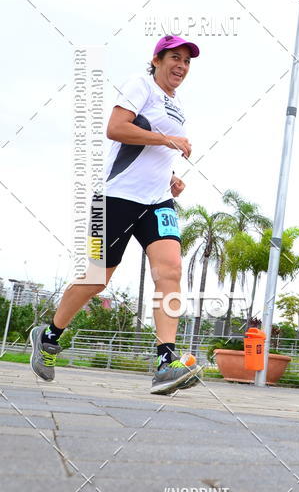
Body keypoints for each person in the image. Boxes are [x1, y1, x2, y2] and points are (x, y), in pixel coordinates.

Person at [29, 34, 202, 395]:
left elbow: (149, 151)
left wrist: (169, 177)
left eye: (187, 61)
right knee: (97, 278)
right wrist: (169, 141)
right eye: (174, 58)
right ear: (156, 60)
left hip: (156, 202)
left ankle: (165, 360)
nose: (181, 66)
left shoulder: (178, 104)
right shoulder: (141, 85)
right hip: (114, 197)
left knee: (170, 270)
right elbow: (117, 129)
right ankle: (49, 336)